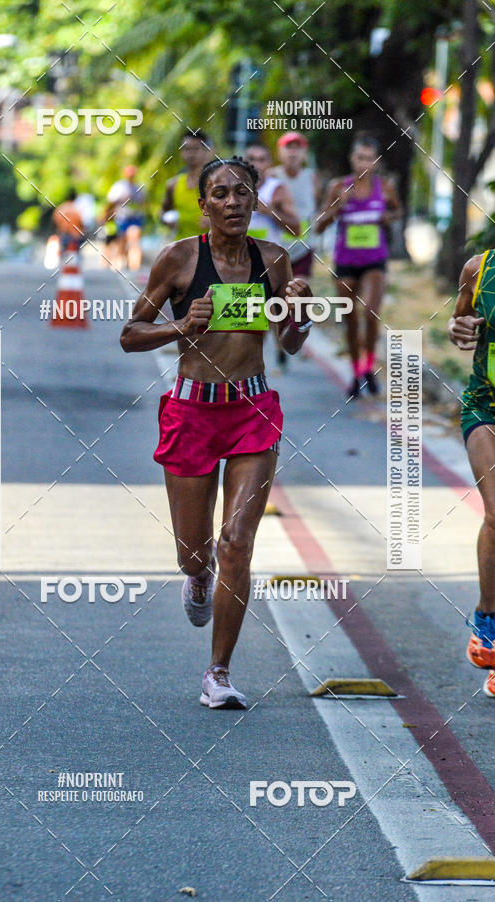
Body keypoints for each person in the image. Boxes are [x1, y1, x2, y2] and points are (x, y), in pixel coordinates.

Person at [121, 156, 313, 709]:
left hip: (253, 411)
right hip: (192, 413)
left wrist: (298, 316)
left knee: (237, 543)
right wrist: (183, 325)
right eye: (221, 194)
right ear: (203, 204)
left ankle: (219, 673)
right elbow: (131, 333)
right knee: (195, 550)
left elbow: (290, 344)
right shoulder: (179, 259)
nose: (233, 202)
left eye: (243, 193)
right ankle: (197, 575)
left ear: (256, 202)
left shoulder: (273, 260)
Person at [316, 136, 403, 398]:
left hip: (375, 260)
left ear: (376, 162)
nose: (363, 163)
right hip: (345, 261)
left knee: (372, 314)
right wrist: (337, 207)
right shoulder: (338, 187)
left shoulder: (384, 187)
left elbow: (399, 211)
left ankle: (369, 366)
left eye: (369, 158)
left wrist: (389, 217)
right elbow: (319, 225)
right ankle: (356, 373)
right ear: (352, 159)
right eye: (359, 157)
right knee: (351, 318)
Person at [448, 250, 495, 697]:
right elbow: (457, 325)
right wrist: (458, 328)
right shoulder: (480, 268)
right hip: (487, 410)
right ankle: (488, 621)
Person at [245, 143, 301, 372]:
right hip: (238, 262)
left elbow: (296, 228)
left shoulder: (277, 190)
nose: (256, 165)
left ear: (269, 165)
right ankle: (246, 366)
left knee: (267, 316)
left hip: (269, 263)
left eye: (261, 160)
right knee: (247, 319)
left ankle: (260, 362)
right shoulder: (234, 188)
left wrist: (270, 212)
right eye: (251, 159)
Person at [273, 131, 321, 278]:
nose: (293, 153)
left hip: (304, 247)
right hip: (277, 247)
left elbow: (318, 205)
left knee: (299, 294)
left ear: (304, 153)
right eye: (288, 148)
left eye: (298, 148)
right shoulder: (272, 176)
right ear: (279, 153)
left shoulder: (312, 177)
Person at [161, 131, 215, 241]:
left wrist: (216, 222)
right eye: (186, 149)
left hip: (211, 249)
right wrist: (166, 220)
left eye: (195, 149)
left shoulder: (217, 184)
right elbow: (162, 212)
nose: (190, 153)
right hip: (182, 249)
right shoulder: (173, 184)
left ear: (206, 152)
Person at [103, 165, 147, 270]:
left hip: (135, 219)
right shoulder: (119, 187)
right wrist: (107, 216)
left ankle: (134, 266)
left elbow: (144, 204)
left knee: (134, 241)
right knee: (121, 242)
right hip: (122, 219)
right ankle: (121, 262)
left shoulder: (139, 188)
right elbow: (111, 203)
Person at [52, 188, 84, 253]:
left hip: (63, 235)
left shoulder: (60, 208)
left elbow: (55, 221)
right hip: (75, 237)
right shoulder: (76, 208)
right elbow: (81, 222)